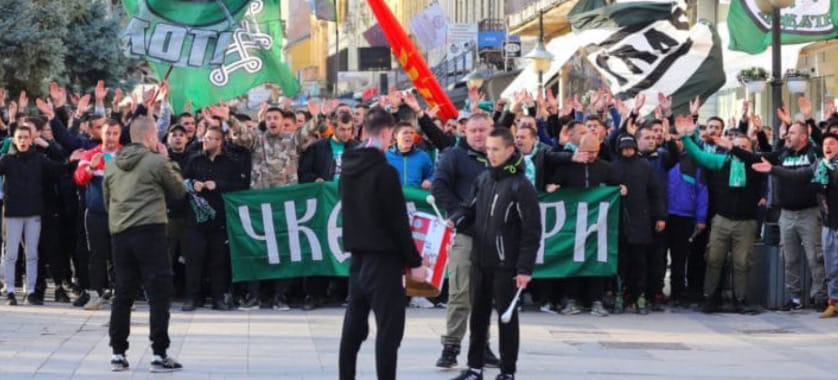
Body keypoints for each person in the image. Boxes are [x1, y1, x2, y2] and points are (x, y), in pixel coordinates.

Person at [337, 107, 427, 380]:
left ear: (364, 131)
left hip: (357, 260)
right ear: (388, 133)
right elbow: (397, 222)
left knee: (352, 330)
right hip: (383, 262)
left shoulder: (347, 169)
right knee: (389, 332)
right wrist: (415, 262)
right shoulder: (385, 173)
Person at [449, 127, 541, 380]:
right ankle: (474, 368)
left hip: (506, 265)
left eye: (496, 149)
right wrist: (457, 218)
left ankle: (507, 371)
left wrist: (524, 269)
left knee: (506, 319)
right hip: (480, 260)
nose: (490, 154)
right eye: (488, 149)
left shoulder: (521, 186)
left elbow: (532, 231)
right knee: (477, 317)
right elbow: (471, 210)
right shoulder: (484, 179)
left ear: (510, 150)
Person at [103, 116, 185, 373]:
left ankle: (118, 353)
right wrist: (168, 159)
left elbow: (108, 201)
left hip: (120, 233)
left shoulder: (113, 165)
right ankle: (159, 354)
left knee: (123, 293)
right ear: (151, 137)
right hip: (150, 231)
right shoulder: (157, 161)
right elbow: (179, 191)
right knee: (158, 293)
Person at [728, 120, 827, 309]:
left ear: (804, 137)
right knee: (789, 259)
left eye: (792, 133)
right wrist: (733, 148)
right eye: (788, 132)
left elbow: (819, 152)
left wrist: (810, 120)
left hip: (809, 213)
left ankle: (820, 297)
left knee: (815, 258)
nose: (787, 136)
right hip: (786, 214)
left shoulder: (815, 154)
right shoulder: (782, 154)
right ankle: (794, 298)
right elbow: (756, 158)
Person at [675, 116, 764, 314]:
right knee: (714, 260)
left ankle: (740, 299)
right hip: (722, 219)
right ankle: (709, 298)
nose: (740, 149)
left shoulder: (756, 165)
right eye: (736, 146)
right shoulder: (722, 161)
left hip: (746, 222)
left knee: (742, 263)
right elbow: (698, 155)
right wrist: (685, 137)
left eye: (744, 147)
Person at [432, 113, 500, 369]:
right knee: (460, 292)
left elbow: (516, 180)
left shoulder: (503, 157)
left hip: (494, 236)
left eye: (483, 130)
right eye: (473, 130)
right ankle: (451, 346)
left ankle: (482, 346)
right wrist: (457, 213)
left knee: (486, 294)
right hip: (466, 234)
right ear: (465, 132)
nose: (478, 135)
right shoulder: (454, 155)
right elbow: (438, 186)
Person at [751, 133, 838, 317]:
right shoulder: (820, 165)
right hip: (828, 223)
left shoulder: (828, 164)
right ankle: (824, 301)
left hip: (821, 218)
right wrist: (773, 169)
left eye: (832, 143)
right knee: (825, 264)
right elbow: (797, 175)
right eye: (825, 144)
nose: (827, 147)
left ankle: (824, 298)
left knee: (819, 260)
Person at [0, 125, 65, 305]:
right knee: (11, 254)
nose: (22, 141)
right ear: (14, 140)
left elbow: (60, 167)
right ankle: (11, 291)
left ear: (31, 139)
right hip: (13, 214)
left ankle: (30, 291)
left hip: (33, 213)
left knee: (32, 254)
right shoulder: (7, 160)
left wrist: (71, 159)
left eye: (25, 137)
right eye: (19, 137)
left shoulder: (39, 160)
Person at [181, 126, 244, 311]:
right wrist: (193, 184)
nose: (207, 141)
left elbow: (238, 185)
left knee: (218, 261)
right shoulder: (194, 160)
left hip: (219, 220)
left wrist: (218, 185)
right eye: (206, 137)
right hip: (195, 219)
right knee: (194, 260)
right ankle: (192, 297)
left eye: (212, 138)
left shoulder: (230, 163)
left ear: (220, 142)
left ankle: (218, 297)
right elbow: (181, 181)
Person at [611, 134, 666, 315]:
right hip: (620, 221)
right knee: (622, 262)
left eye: (630, 148)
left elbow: (656, 192)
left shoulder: (645, 167)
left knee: (640, 262)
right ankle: (621, 294)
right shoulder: (614, 167)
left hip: (641, 220)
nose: (627, 151)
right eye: (624, 148)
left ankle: (640, 295)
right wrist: (615, 189)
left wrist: (660, 217)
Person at [73, 119, 123, 310]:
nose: (111, 137)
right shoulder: (91, 154)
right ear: (101, 134)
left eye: (115, 133)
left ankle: (121, 296)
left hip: (121, 214)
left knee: (120, 255)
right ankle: (95, 294)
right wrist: (91, 168)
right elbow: (78, 178)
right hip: (96, 213)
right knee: (97, 255)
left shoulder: (126, 154)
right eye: (107, 133)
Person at [385, 122, 434, 189]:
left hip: (415, 197)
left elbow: (432, 175)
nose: (409, 135)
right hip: (393, 197)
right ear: (395, 135)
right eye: (405, 133)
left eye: (412, 133)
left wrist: (429, 180)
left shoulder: (422, 156)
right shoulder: (385, 156)